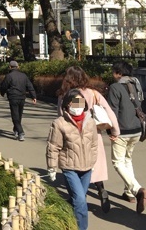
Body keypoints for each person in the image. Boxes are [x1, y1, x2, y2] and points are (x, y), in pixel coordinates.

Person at [57, 66, 120, 213]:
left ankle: (79, 199)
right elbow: (109, 112)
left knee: (75, 167)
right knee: (93, 165)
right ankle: (101, 190)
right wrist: (115, 131)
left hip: (72, 136)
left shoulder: (66, 95)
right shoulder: (94, 93)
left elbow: (61, 116)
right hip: (93, 135)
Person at [47, 89, 99, 230]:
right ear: (67, 105)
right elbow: (53, 146)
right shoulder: (59, 123)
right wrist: (52, 167)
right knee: (81, 200)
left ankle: (66, 219)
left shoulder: (90, 122)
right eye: (73, 102)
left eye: (79, 102)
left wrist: (93, 162)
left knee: (77, 200)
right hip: (69, 167)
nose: (77, 106)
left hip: (87, 167)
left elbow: (94, 144)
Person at [107, 60, 146, 214]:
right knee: (127, 160)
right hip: (137, 128)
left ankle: (137, 190)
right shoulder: (136, 83)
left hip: (122, 129)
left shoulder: (115, 87)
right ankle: (129, 193)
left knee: (117, 162)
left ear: (118, 73)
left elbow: (112, 111)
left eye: (113, 72)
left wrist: (112, 131)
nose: (112, 74)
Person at [0, 60, 36, 141]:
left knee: (15, 115)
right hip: (22, 97)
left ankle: (20, 132)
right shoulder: (24, 76)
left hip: (13, 97)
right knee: (19, 114)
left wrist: (2, 93)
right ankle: (16, 129)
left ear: (10, 67)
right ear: (18, 67)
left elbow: (4, 86)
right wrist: (34, 96)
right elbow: (30, 86)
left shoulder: (9, 76)